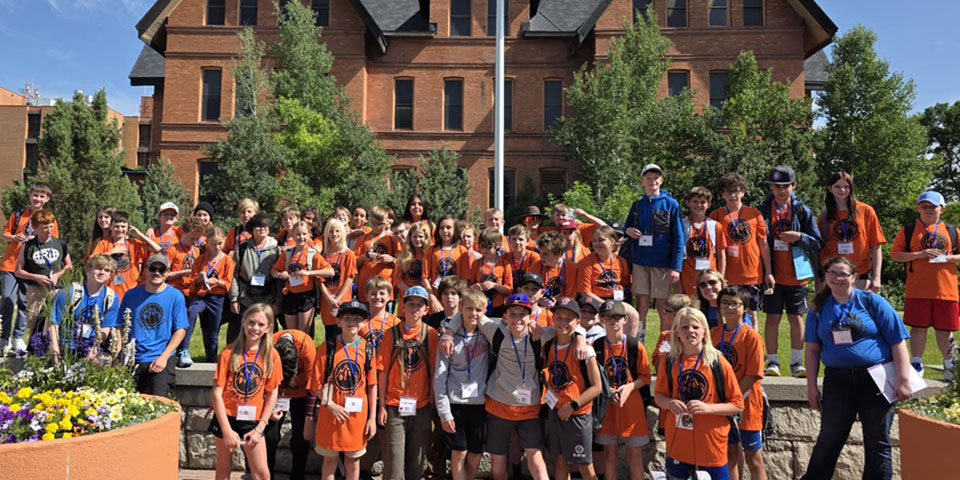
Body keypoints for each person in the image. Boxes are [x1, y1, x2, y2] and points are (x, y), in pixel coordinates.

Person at [802, 257, 912, 479]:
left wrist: (903, 380)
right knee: (829, 440)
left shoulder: (872, 302)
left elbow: (898, 342)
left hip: (875, 379)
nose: (837, 278)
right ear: (825, 276)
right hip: (837, 381)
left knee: (877, 442)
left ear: (854, 277)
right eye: (832, 273)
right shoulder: (818, 308)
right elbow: (812, 350)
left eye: (843, 274)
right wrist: (811, 387)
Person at [441, 293, 553, 480]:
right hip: (499, 406)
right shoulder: (496, 331)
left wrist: (581, 338)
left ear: (530, 315)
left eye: (522, 314)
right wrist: (448, 333)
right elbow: (468, 311)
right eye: (512, 314)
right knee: (498, 468)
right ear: (505, 316)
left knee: (536, 461)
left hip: (529, 408)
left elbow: (567, 329)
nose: (517, 319)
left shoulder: (539, 335)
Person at [654, 307, 744, 480]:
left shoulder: (718, 362)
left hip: (711, 441)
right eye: (685, 327)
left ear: (704, 331)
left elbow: (737, 404)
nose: (691, 331)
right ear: (677, 332)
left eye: (696, 327)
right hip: (679, 439)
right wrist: (669, 404)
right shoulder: (668, 360)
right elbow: (659, 396)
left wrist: (707, 408)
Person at [759, 165, 823, 378]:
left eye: (785, 186)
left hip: (797, 275)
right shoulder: (762, 210)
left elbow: (817, 242)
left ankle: (797, 363)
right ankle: (772, 362)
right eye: (776, 186)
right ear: (771, 187)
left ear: (794, 186)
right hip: (772, 275)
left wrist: (799, 237)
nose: (781, 190)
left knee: (796, 318)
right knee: (772, 318)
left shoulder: (802, 211)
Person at [890, 190, 959, 379]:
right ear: (918, 208)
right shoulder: (909, 229)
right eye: (924, 206)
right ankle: (917, 364)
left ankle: (949, 366)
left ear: (942, 209)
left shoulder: (953, 231)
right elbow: (895, 255)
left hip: (946, 290)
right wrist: (920, 254)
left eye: (933, 206)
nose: (928, 210)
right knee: (918, 328)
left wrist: (949, 258)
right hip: (917, 290)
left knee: (945, 331)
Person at [309, 299, 379, 480]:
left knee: (353, 462)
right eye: (347, 318)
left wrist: (372, 418)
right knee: (329, 462)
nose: (352, 323)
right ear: (338, 321)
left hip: (356, 417)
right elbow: (316, 385)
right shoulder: (328, 347)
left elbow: (372, 385)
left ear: (364, 323)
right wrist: (330, 405)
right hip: (331, 415)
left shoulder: (368, 349)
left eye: (357, 319)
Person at [211, 303, 282, 480]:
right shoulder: (228, 353)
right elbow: (216, 393)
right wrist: (226, 430)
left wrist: (260, 427)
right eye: (251, 322)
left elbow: (273, 392)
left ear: (268, 328)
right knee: (223, 469)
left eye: (260, 324)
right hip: (227, 417)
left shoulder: (271, 355)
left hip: (253, 420)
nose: (255, 328)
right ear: (243, 322)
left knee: (262, 473)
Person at [376, 286, 439, 480]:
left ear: (426, 310)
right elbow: (383, 371)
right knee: (394, 463)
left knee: (417, 462)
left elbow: (435, 372)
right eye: (410, 304)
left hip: (421, 406)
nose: (414, 309)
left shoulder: (431, 335)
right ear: (402, 307)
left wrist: (435, 405)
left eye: (419, 305)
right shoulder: (391, 335)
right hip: (395, 405)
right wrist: (382, 406)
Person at [542, 297, 603, 480]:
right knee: (560, 461)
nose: (563, 322)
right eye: (559, 317)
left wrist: (573, 405)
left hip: (577, 414)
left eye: (568, 319)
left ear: (577, 322)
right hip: (556, 412)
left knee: (584, 465)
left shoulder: (586, 350)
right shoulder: (548, 347)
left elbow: (597, 387)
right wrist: (549, 391)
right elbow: (547, 375)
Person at [433, 289, 490, 480]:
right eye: (469, 309)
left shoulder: (487, 335)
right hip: (455, 404)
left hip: (479, 404)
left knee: (475, 454)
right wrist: (444, 413)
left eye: (478, 310)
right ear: (460, 309)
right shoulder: (447, 340)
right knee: (459, 453)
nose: (473, 313)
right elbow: (440, 378)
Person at [711, 287, 766, 480]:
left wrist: (731, 398)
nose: (729, 307)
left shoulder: (752, 337)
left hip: (747, 405)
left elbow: (753, 375)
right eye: (725, 303)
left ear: (744, 308)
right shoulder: (713, 334)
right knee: (729, 454)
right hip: (721, 405)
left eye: (735, 303)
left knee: (753, 457)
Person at [594, 300, 652, 480]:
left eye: (617, 317)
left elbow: (645, 377)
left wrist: (628, 388)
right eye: (608, 317)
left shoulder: (635, 346)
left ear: (625, 319)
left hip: (632, 408)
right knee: (609, 454)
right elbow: (594, 379)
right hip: (608, 409)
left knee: (634, 455)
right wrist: (609, 391)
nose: (613, 321)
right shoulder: (596, 347)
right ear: (601, 320)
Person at [624, 164, 684, 338]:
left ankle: (665, 341)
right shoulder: (637, 205)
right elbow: (626, 227)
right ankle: (639, 339)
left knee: (662, 305)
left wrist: (676, 266)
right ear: (643, 181)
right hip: (640, 262)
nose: (652, 181)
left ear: (661, 180)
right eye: (648, 178)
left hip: (662, 263)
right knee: (642, 303)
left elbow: (678, 237)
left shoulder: (671, 204)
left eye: (656, 178)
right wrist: (628, 231)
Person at [119, 253, 188, 396]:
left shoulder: (176, 296)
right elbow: (120, 327)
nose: (157, 273)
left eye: (161, 270)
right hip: (133, 357)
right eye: (153, 268)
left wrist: (164, 356)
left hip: (160, 356)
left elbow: (180, 329)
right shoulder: (130, 295)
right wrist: (118, 356)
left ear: (167, 273)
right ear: (145, 270)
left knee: (159, 402)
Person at [0, 182, 57, 355]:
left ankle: (18, 337)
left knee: (26, 302)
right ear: (30, 196)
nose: (37, 199)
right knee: (8, 298)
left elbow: (53, 242)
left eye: (41, 196)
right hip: (10, 264)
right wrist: (14, 237)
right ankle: (4, 338)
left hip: (31, 267)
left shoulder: (49, 218)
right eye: (35, 195)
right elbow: (5, 235)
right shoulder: (18, 215)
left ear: (46, 199)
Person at [709, 172, 774, 324]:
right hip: (728, 276)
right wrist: (718, 275)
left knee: (751, 314)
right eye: (728, 191)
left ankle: (753, 345)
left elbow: (763, 245)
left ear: (743, 191)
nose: (733, 195)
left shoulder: (754, 214)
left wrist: (768, 272)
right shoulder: (716, 215)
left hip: (752, 274)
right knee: (727, 314)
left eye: (736, 190)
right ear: (722, 194)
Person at [817, 172, 885, 292]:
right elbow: (817, 249)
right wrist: (818, 280)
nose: (842, 190)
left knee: (860, 310)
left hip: (860, 275)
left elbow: (876, 246)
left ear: (851, 188)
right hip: (833, 277)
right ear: (830, 188)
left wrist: (877, 277)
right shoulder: (824, 216)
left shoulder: (866, 211)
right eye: (837, 186)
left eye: (846, 186)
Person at [264, 328, 316, 480]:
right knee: (270, 437)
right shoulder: (267, 347)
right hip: (277, 395)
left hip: (301, 394)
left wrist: (309, 419)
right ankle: (266, 476)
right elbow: (263, 381)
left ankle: (297, 476)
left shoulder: (307, 346)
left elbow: (313, 385)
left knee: (300, 440)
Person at [47, 254, 120, 362]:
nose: (102, 272)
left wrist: (94, 349)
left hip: (91, 346)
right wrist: (56, 355)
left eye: (107, 270)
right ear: (88, 270)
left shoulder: (111, 298)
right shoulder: (69, 292)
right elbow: (53, 325)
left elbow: (106, 328)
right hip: (65, 348)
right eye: (98, 268)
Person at [15, 209, 72, 340]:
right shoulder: (28, 246)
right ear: (35, 228)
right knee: (34, 321)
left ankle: (54, 351)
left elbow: (69, 266)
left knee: (56, 321)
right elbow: (18, 271)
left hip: (57, 289)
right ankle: (33, 352)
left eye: (51, 226)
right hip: (36, 290)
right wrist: (36, 277)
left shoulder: (60, 244)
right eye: (44, 228)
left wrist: (58, 274)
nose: (48, 230)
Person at [577, 226, 640, 337]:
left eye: (601, 240)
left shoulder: (621, 262)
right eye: (594, 240)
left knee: (633, 314)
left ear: (612, 241)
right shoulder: (586, 262)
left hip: (615, 300)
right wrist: (606, 304)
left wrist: (622, 288)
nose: (596, 244)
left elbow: (625, 284)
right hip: (594, 301)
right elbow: (585, 292)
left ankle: (629, 348)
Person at [272, 221, 334, 333]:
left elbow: (330, 271)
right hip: (290, 295)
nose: (301, 237)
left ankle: (304, 351)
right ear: (293, 236)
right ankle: (293, 351)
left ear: (309, 234)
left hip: (306, 296)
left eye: (304, 234)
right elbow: (273, 270)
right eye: (298, 234)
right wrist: (280, 274)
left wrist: (309, 273)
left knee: (303, 332)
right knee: (291, 332)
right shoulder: (288, 253)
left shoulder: (312, 253)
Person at [185, 225, 234, 364]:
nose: (216, 247)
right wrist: (198, 279)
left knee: (212, 331)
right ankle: (184, 349)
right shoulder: (201, 259)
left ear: (224, 241)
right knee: (191, 311)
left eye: (220, 243)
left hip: (217, 298)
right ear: (207, 242)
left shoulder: (227, 260)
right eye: (213, 244)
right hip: (201, 296)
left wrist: (217, 281)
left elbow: (228, 283)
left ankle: (211, 360)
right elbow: (192, 281)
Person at [228, 214, 281, 343]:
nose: (262, 229)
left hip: (268, 296)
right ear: (251, 229)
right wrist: (234, 298)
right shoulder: (242, 248)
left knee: (267, 331)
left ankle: (267, 357)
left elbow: (279, 278)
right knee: (246, 329)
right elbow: (234, 275)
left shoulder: (276, 249)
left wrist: (278, 301)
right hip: (247, 296)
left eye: (265, 226)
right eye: (258, 226)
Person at [90, 210, 162, 300]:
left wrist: (139, 234)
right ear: (110, 227)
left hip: (132, 289)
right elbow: (91, 261)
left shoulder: (134, 243)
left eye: (123, 227)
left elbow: (157, 249)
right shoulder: (104, 243)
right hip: (110, 290)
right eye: (116, 226)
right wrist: (110, 252)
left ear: (128, 227)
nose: (120, 230)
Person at [652, 294, 692, 437]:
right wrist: (664, 358)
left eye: (667, 311)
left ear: (678, 315)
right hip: (668, 398)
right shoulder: (665, 336)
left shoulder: (692, 338)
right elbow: (656, 366)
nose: (663, 315)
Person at [319, 218, 358, 342]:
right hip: (327, 302)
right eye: (331, 231)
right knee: (329, 336)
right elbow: (319, 280)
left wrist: (338, 298)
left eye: (337, 231)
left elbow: (350, 277)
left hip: (343, 300)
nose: (334, 234)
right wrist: (329, 298)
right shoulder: (323, 256)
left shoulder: (348, 254)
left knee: (343, 334)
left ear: (342, 233)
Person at [354, 206, 401, 303]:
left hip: (385, 286)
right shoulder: (363, 239)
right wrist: (364, 257)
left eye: (381, 224)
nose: (377, 227)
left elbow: (402, 263)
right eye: (374, 224)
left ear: (387, 221)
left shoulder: (392, 238)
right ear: (370, 220)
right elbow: (354, 263)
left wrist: (391, 260)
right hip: (366, 287)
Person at [681, 187, 722, 297]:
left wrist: (721, 278)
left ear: (709, 204)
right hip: (687, 278)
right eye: (695, 201)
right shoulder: (682, 225)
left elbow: (721, 254)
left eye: (703, 202)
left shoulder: (715, 226)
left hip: (709, 281)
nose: (699, 205)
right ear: (688, 203)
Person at [424, 215, 470, 310]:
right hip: (437, 300)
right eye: (441, 228)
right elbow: (424, 278)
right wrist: (433, 299)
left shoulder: (462, 250)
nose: (445, 231)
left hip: (455, 300)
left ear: (455, 230)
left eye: (448, 227)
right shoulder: (431, 250)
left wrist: (460, 301)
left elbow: (464, 280)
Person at [469, 227, 512, 317]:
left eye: (488, 247)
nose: (484, 249)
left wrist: (495, 286)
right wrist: (474, 287)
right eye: (482, 246)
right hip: (480, 305)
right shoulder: (476, 263)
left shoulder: (504, 264)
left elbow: (509, 290)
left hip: (499, 307)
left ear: (498, 245)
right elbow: (470, 285)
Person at [532, 231, 578, 308]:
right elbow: (529, 291)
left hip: (563, 307)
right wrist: (538, 299)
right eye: (540, 252)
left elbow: (570, 296)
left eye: (545, 254)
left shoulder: (570, 267)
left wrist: (556, 305)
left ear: (558, 254)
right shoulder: (536, 267)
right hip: (540, 306)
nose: (541, 256)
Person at [394, 222, 430, 305]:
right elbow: (397, 281)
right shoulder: (403, 255)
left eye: (421, 236)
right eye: (415, 236)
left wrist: (422, 294)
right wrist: (413, 293)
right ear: (410, 238)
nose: (417, 239)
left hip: (425, 299)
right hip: (407, 299)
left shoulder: (430, 255)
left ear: (426, 238)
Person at [359, 276, 399, 351]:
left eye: (382, 293)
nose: (377, 297)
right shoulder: (360, 320)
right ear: (366, 296)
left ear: (389, 297)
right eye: (373, 293)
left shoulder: (395, 323)